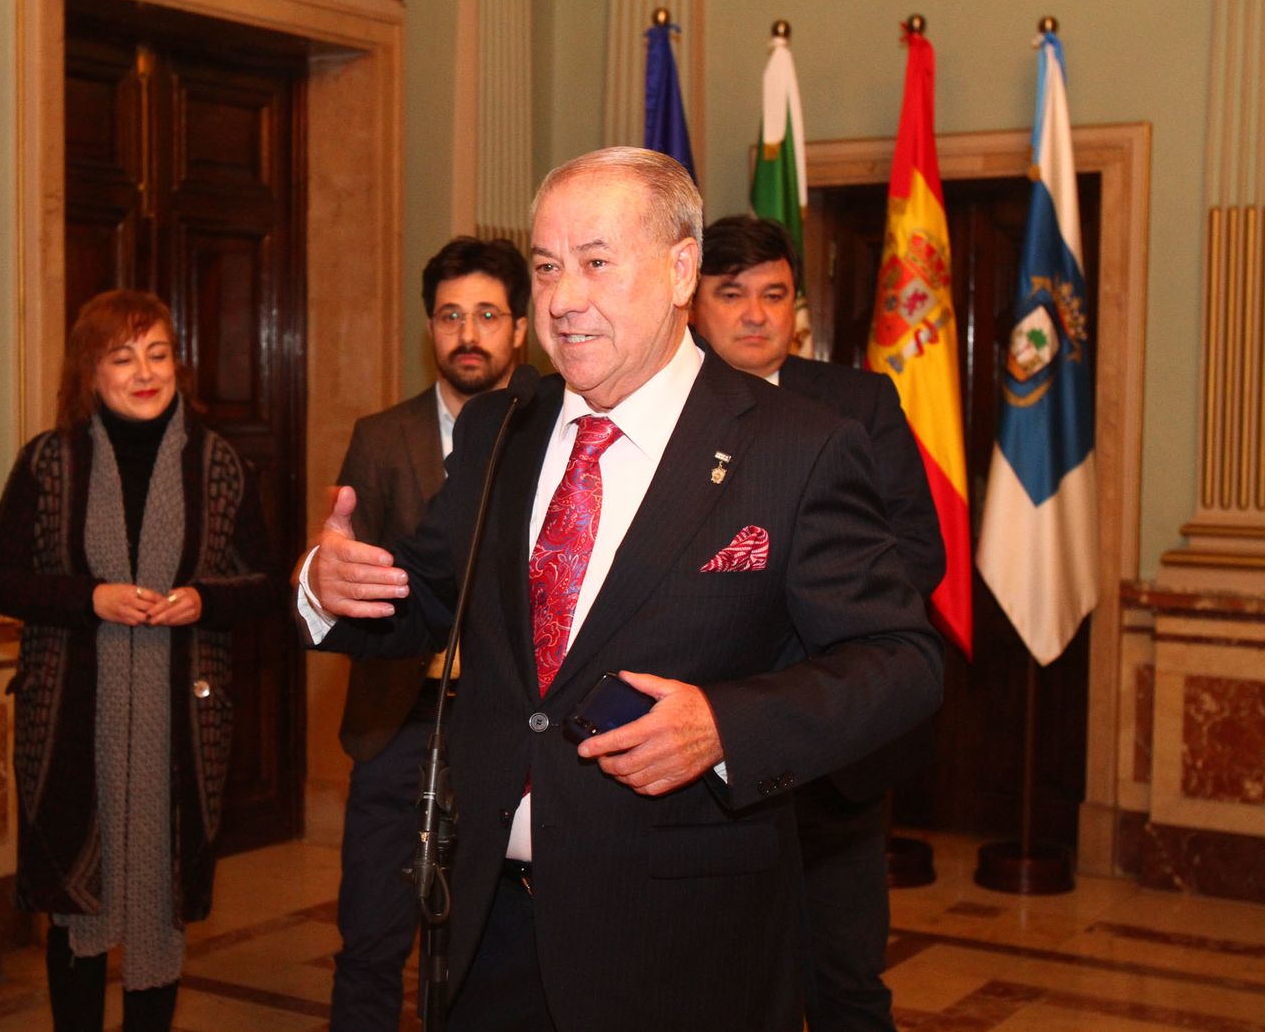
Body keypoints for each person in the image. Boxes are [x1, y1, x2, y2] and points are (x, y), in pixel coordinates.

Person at [296, 148, 943, 1031]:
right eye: (548, 266)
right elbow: (421, 597)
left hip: (685, 938)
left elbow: (901, 661)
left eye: (596, 262)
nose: (562, 299)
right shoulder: (501, 427)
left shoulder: (798, 446)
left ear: (682, 270)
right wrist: (328, 584)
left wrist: (728, 725)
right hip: (489, 924)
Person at [0, 289, 272, 1032]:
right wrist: (93, 597)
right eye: (122, 356)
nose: (144, 372)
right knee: (76, 902)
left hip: (183, 726)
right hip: (71, 724)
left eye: (159, 353)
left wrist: (202, 599)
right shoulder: (50, 463)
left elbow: (263, 584)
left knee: (160, 897)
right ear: (91, 371)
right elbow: (0, 580)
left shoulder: (220, 464)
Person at [691, 215, 945, 1030]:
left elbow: (915, 551)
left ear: (798, 305)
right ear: (693, 303)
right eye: (732, 295)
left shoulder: (858, 401)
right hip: (700, 752)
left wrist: (803, 656)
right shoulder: (662, 412)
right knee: (716, 983)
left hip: (831, 752)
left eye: (774, 295)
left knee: (844, 979)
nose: (756, 315)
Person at [330, 237, 529, 1031]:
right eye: (451, 315)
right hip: (397, 722)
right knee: (371, 943)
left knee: (486, 948)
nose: (468, 333)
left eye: (487, 314)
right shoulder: (383, 437)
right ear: (429, 327)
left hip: (506, 730)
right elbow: (360, 585)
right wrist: (329, 580)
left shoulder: (551, 424)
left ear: (520, 328)